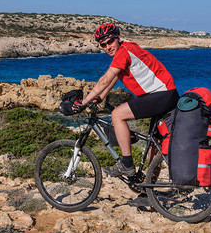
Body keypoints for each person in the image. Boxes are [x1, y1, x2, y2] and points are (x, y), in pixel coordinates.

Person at [73, 23, 179, 178]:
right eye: (103, 45)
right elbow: (114, 78)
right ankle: (147, 189)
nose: (108, 47)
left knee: (117, 115)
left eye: (110, 42)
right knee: (153, 144)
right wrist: (100, 98)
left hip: (160, 95)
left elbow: (104, 80)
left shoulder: (124, 52)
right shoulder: (128, 48)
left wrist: (83, 102)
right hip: (167, 95)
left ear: (118, 38)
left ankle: (127, 165)